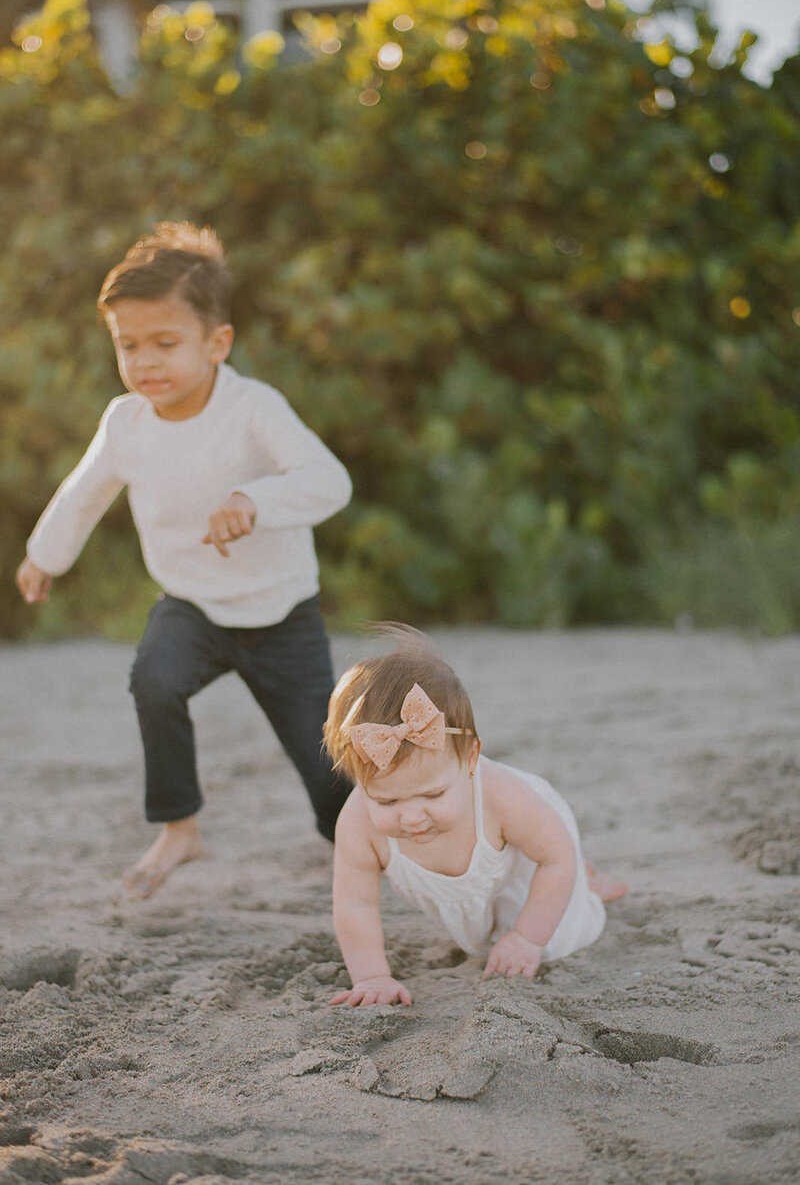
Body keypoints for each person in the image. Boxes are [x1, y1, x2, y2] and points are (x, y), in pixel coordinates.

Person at [15, 221, 353, 898]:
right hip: (192, 605)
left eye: (165, 344)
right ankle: (179, 826)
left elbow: (329, 480)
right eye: (128, 344)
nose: (145, 362)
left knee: (326, 768)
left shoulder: (253, 408)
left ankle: (362, 840)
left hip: (280, 611)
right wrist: (43, 555)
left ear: (217, 343)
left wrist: (255, 501)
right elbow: (83, 494)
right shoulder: (125, 422)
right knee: (154, 681)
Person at [324, 626, 626, 1006]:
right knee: (483, 942)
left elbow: (555, 857)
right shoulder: (357, 823)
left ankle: (587, 889)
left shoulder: (503, 797)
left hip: (541, 851)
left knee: (557, 940)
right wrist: (371, 976)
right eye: (387, 802)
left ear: (470, 760)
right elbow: (355, 904)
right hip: (486, 884)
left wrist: (527, 939)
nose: (412, 817)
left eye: (433, 794)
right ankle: (578, 884)